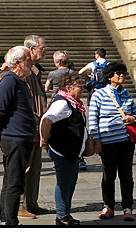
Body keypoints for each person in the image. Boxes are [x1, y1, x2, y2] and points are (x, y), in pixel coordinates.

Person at [0, 46, 38, 226]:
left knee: (10, 180)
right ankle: (10, 223)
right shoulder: (10, 80)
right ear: (18, 62)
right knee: (14, 183)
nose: (31, 62)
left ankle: (5, 219)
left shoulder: (19, 81)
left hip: (21, 137)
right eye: (28, 59)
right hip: (15, 138)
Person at [41, 69, 96, 225]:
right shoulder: (62, 103)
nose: (83, 88)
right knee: (64, 184)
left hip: (71, 151)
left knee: (70, 183)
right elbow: (46, 120)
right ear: (69, 88)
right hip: (63, 151)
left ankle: (65, 213)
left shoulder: (72, 102)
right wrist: (44, 140)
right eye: (80, 85)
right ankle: (62, 216)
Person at [88, 62, 136, 222]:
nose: (122, 75)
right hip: (107, 141)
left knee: (126, 176)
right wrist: (96, 140)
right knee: (108, 176)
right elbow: (92, 119)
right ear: (109, 76)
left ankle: (127, 207)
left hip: (126, 141)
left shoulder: (126, 94)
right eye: (118, 73)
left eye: (123, 73)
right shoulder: (99, 94)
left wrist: (133, 118)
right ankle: (108, 206)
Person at [20, 34, 49, 218]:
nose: (45, 51)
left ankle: (32, 202)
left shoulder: (35, 70)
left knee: (36, 166)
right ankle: (21, 204)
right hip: (28, 126)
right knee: (25, 167)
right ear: (31, 50)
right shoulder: (23, 70)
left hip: (38, 126)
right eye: (42, 48)